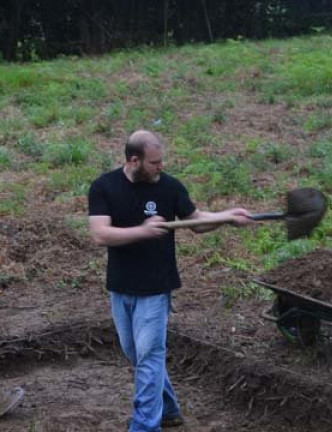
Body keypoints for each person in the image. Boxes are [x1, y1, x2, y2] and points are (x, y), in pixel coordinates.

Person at [87, 130, 253, 432]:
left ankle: (144, 425)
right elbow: (100, 234)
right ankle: (170, 410)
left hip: (156, 287)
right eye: (154, 163)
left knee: (150, 356)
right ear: (134, 160)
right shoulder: (104, 187)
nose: (160, 167)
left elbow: (197, 221)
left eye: (161, 161)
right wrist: (144, 231)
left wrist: (226, 216)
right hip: (120, 286)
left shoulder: (170, 187)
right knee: (136, 354)